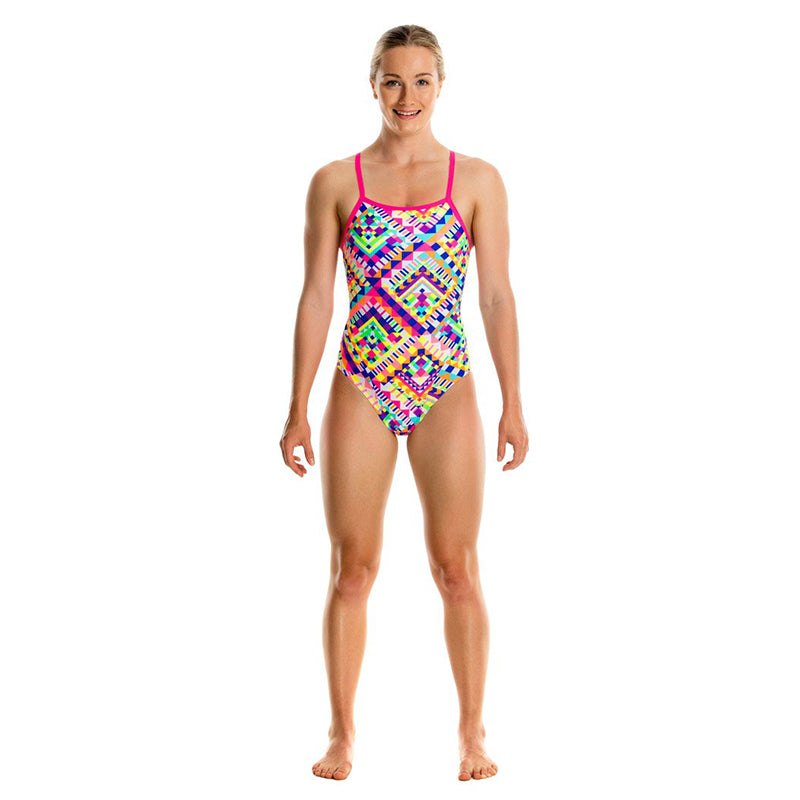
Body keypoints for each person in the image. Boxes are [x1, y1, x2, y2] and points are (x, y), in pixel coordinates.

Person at [280, 24, 529, 781]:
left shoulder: (477, 180)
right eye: (393, 80)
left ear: (441, 86)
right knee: (352, 570)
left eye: (421, 81)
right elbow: (317, 297)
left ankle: (473, 734)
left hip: (444, 381)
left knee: (456, 568)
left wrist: (514, 402)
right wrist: (296, 406)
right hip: (363, 378)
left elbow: (495, 295)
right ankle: (342, 734)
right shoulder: (336, 181)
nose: (407, 96)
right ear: (373, 86)